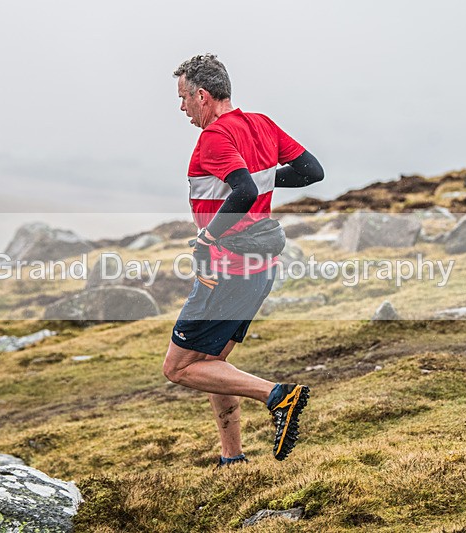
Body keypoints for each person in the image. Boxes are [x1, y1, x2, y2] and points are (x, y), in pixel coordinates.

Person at [162, 54, 324, 465]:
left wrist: (206, 237)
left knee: (179, 368)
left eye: (183, 98)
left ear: (202, 95)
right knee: (212, 363)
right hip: (259, 268)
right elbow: (310, 171)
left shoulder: (214, 137)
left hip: (227, 270)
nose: (181, 107)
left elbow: (244, 192)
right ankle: (232, 458)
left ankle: (277, 396)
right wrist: (264, 177)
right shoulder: (262, 124)